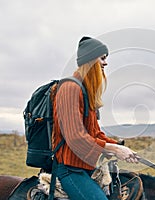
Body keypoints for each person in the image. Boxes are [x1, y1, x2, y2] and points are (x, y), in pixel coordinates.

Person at [52, 36, 138, 200]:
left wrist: (121, 148)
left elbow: (95, 134)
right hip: (70, 169)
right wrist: (115, 150)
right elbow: (75, 137)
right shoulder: (70, 88)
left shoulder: (85, 91)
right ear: (90, 59)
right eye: (102, 58)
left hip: (85, 166)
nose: (105, 63)